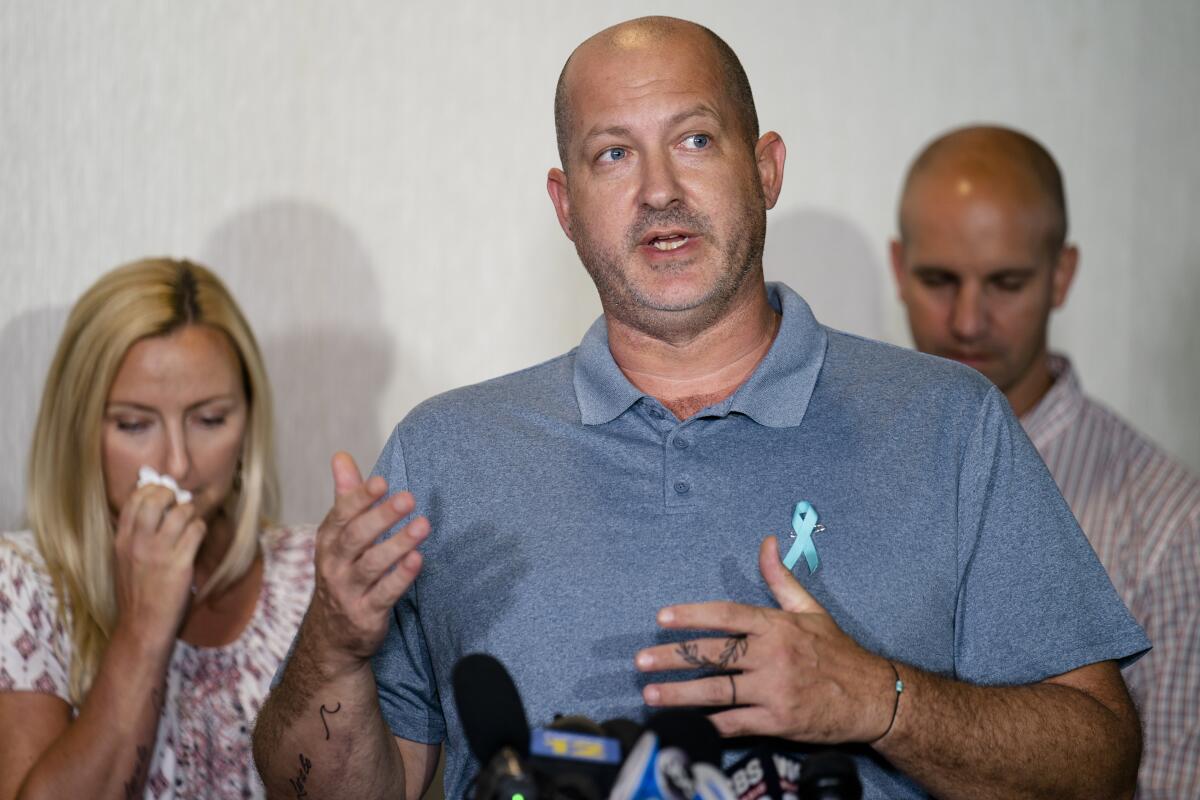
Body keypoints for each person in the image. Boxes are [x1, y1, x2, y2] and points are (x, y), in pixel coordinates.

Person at [253, 18, 1149, 800]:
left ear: (766, 169)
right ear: (565, 207)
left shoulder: (950, 423)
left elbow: (1101, 765)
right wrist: (330, 645)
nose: (657, 192)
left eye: (693, 141)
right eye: (613, 154)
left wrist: (878, 701)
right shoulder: (443, 453)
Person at [890, 124, 1200, 798]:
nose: (968, 321)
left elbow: (1173, 784)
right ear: (897, 270)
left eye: (1006, 283)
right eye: (940, 279)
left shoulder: (1172, 523)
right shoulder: (854, 455)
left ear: (1062, 275)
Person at [0, 259, 315, 799]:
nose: (177, 464)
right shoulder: (23, 586)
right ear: (80, 429)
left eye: (210, 419)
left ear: (249, 418)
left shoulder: (308, 573)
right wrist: (144, 629)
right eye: (134, 424)